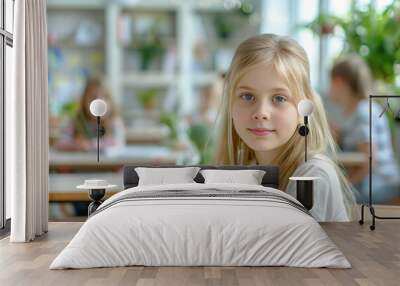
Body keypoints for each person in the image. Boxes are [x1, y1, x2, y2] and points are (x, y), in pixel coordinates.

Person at [214, 33, 356, 222]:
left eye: (279, 98)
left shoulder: (313, 177)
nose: (261, 112)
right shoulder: (250, 172)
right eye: (247, 96)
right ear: (230, 104)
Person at [329, 55, 400, 204]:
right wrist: (340, 137)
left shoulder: (363, 112)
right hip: (375, 182)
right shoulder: (359, 111)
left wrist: (344, 186)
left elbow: (369, 161)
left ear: (339, 82)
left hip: (379, 184)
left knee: (329, 199)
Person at [55, 77, 125, 152]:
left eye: (104, 97)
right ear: (84, 102)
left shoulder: (114, 123)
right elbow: (60, 143)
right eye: (93, 98)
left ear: (111, 102)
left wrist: (90, 144)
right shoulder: (75, 122)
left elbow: (118, 143)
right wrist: (77, 145)